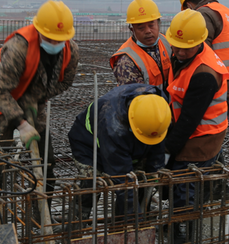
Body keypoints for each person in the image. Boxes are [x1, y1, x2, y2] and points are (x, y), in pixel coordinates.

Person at [0, 0, 79, 196]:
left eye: (58, 40)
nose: (54, 43)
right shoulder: (19, 48)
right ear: (38, 31)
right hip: (0, 103)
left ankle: (41, 217)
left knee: (46, 162)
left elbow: (65, 83)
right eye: (49, 38)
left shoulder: (71, 51)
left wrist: (37, 99)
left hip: (34, 102)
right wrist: (21, 122)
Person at [164, 9, 229, 244]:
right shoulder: (184, 54)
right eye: (175, 46)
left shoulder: (204, 74)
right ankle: (177, 222)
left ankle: (182, 235)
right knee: (180, 180)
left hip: (202, 136)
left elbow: (189, 121)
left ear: (200, 41)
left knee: (185, 183)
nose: (179, 52)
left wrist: (167, 149)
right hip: (192, 128)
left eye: (185, 48)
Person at [68, 83, 171, 219]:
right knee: (93, 182)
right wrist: (134, 216)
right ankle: (78, 221)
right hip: (88, 144)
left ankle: (122, 224)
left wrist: (154, 172)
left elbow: (157, 144)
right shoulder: (113, 126)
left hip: (128, 140)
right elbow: (122, 178)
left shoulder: (157, 107)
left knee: (142, 179)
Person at [179, 0, 229, 119]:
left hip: (219, 84)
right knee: (218, 129)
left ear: (188, 5)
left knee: (208, 133)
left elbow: (200, 50)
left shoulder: (202, 14)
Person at [110, 0, 172, 91]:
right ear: (132, 29)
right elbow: (136, 98)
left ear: (158, 23)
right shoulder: (126, 60)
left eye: (151, 25)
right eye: (141, 28)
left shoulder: (168, 43)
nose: (147, 31)